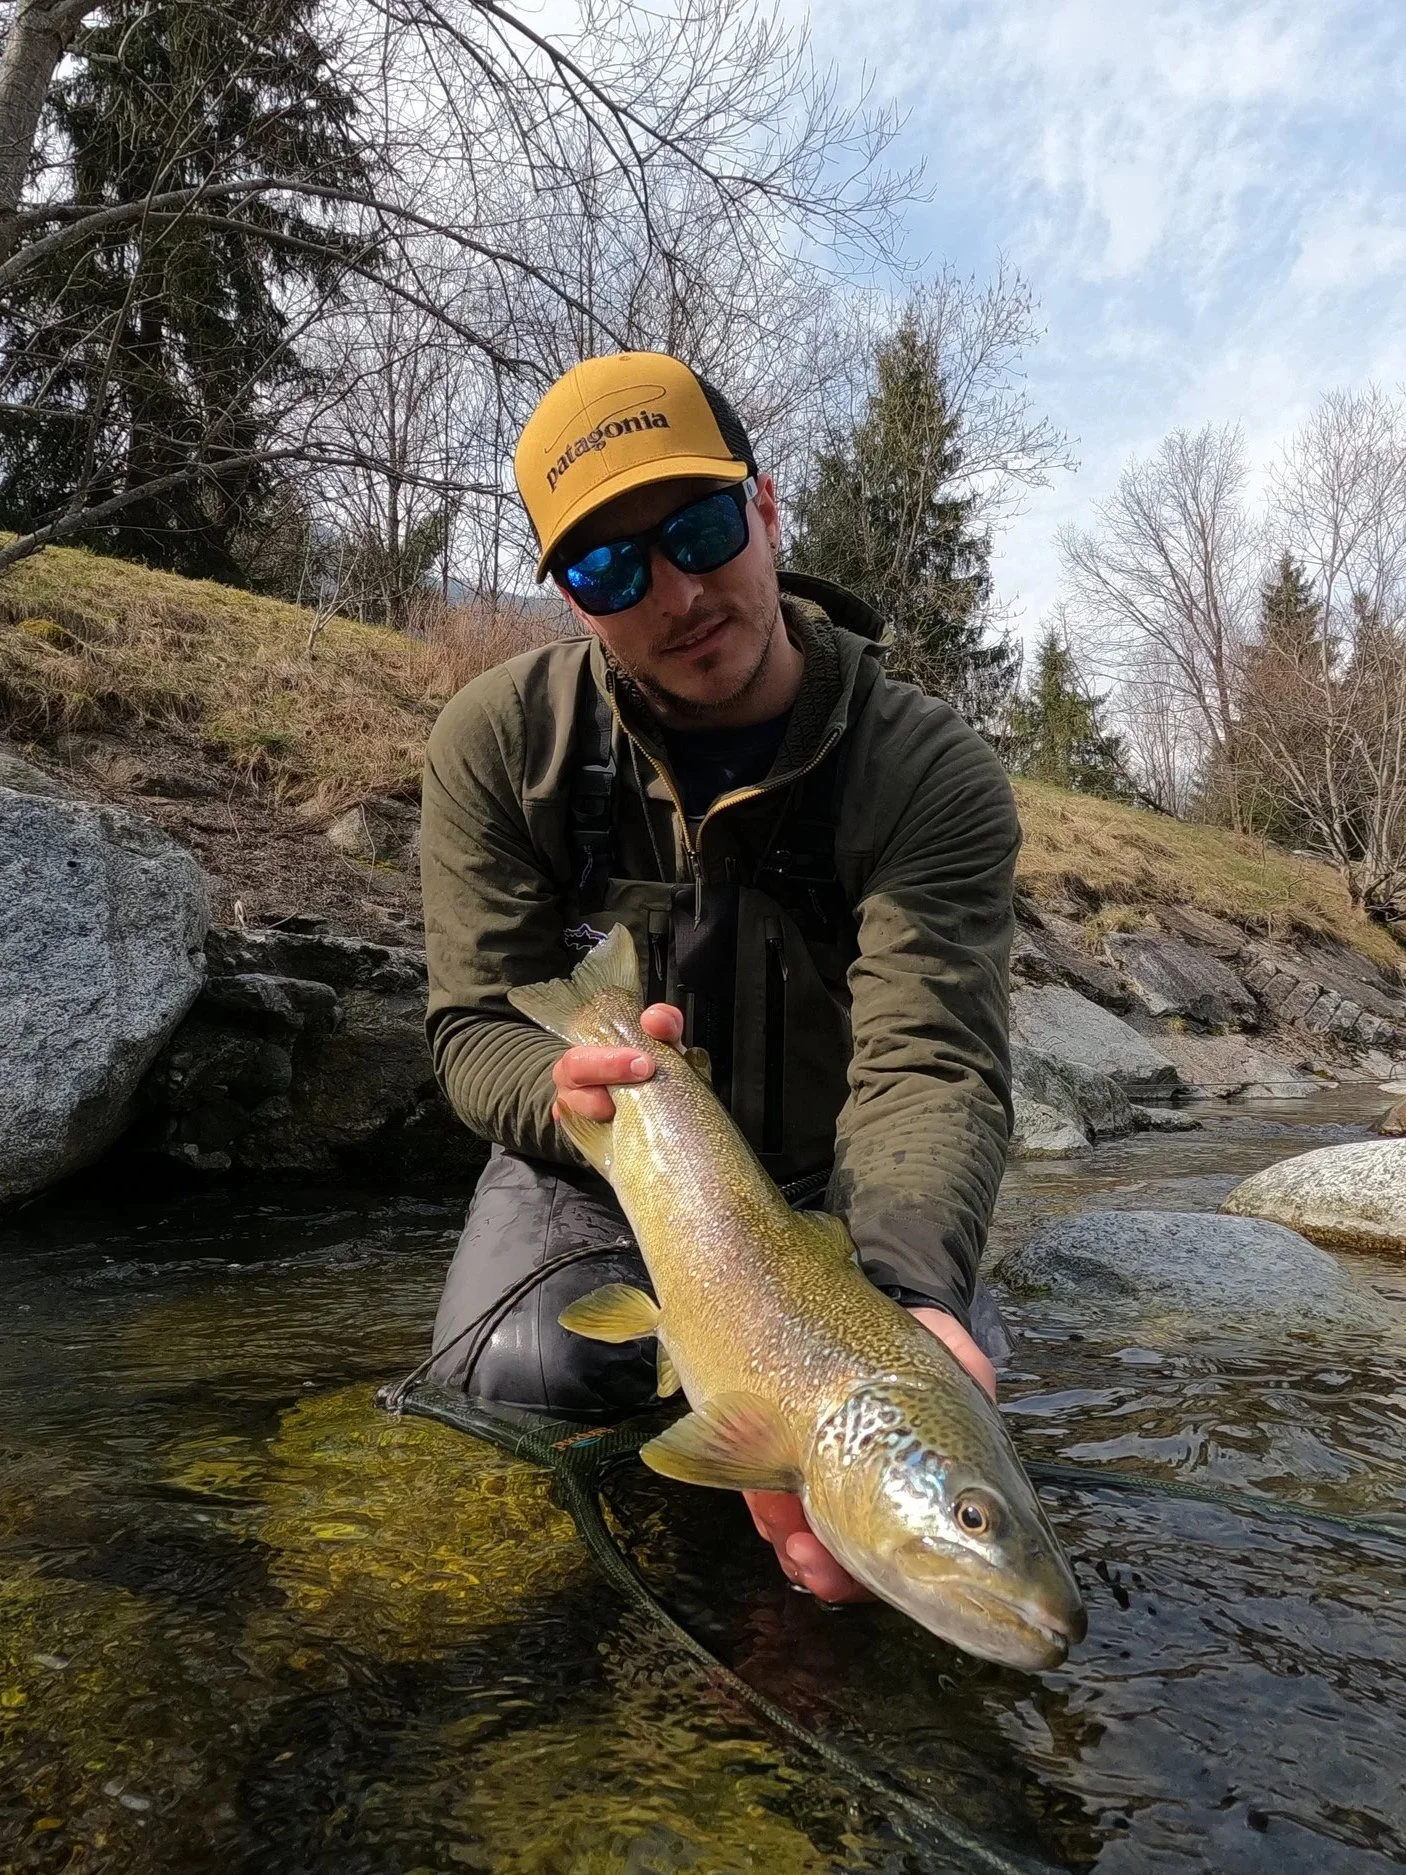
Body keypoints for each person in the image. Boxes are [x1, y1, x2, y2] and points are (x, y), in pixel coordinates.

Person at [420, 351, 1020, 1604]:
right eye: (606, 567)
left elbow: (929, 1062)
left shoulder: (928, 774)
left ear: (764, 507)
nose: (675, 591)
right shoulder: (500, 742)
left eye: (696, 527)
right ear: (573, 599)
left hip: (834, 1195)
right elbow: (474, 1027)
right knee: (519, 1376)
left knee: (941, 1435)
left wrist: (902, 1294)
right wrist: (571, 1094)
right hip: (599, 1176)